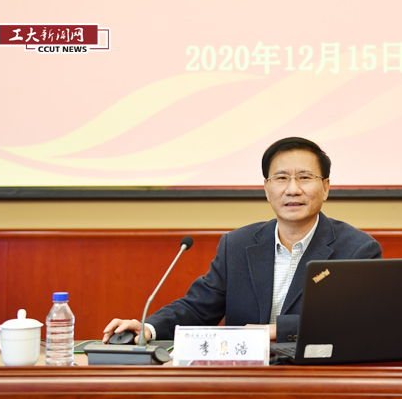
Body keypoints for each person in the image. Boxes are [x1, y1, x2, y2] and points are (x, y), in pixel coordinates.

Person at [102, 137, 382, 344]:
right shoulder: (237, 244)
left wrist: (273, 331)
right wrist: (148, 327)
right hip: (244, 375)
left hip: (316, 376)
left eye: (305, 177)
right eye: (281, 178)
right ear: (267, 189)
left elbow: (352, 320)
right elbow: (198, 307)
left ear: (326, 188)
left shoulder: (356, 249)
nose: (293, 189)